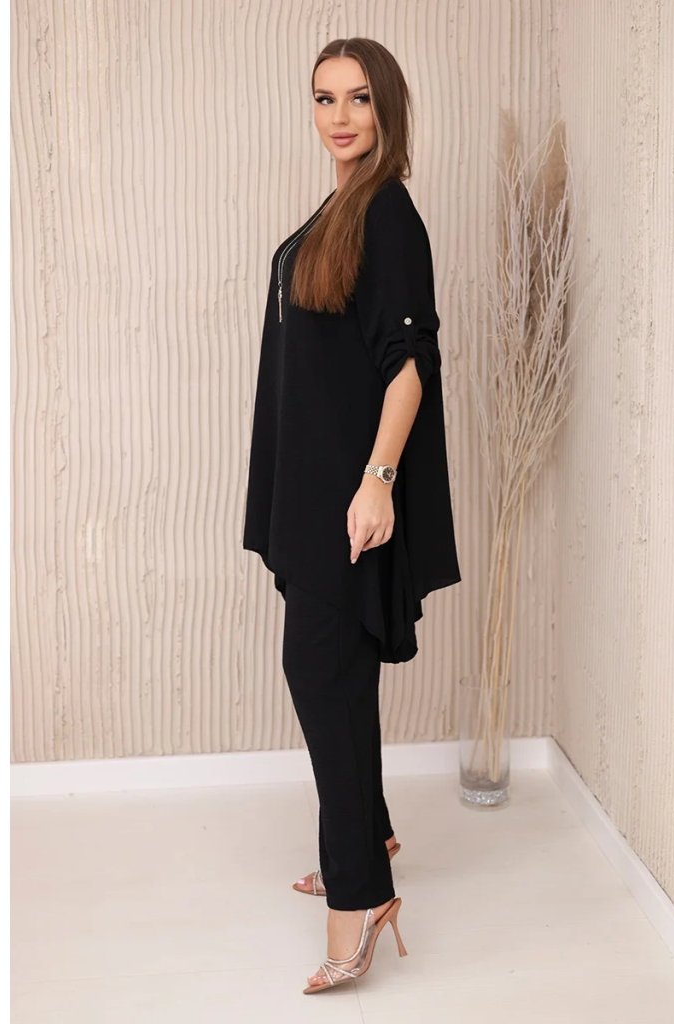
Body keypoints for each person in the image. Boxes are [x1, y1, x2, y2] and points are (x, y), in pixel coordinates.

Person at [242, 37, 462, 995]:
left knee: (321, 673)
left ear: (388, 109)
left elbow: (410, 365)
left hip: (347, 495)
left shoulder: (389, 216)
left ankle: (361, 897)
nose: (339, 116)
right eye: (325, 97)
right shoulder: (342, 209)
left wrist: (377, 481)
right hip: (312, 488)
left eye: (359, 98)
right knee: (336, 674)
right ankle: (368, 838)